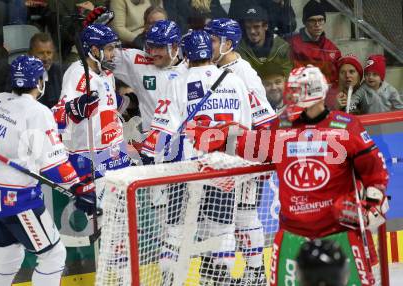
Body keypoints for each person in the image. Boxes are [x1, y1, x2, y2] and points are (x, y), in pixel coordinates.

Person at [188, 65, 389, 285]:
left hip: (340, 233)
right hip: (292, 235)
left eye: (295, 93)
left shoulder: (347, 127)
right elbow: (251, 144)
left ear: (312, 95)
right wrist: (216, 135)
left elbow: (375, 173)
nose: (290, 99)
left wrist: (372, 208)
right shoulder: (282, 128)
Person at [0, 55, 95, 286]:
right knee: (53, 257)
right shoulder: (37, 111)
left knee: (6, 258)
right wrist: (79, 187)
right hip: (18, 202)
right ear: (40, 81)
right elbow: (53, 164)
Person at [142, 30, 253, 285]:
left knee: (176, 232)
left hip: (187, 168)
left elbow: (162, 130)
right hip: (225, 166)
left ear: (186, 54)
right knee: (222, 229)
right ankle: (219, 279)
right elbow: (245, 127)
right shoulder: (234, 80)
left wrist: (148, 156)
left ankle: (170, 280)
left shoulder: (178, 82)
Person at [204, 17, 276, 284]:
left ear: (228, 43)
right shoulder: (210, 68)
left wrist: (262, 155)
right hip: (219, 157)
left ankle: (255, 272)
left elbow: (265, 118)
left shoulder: (244, 72)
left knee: (245, 214)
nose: (207, 44)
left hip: (242, 156)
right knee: (217, 218)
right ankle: (223, 272)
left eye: (213, 40)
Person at [52, 24, 130, 207]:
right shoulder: (78, 73)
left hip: (114, 151)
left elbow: (108, 107)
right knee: (103, 215)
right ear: (95, 50)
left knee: (123, 211)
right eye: (109, 49)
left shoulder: (106, 72)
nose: (113, 54)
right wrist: (75, 108)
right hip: (89, 156)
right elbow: (59, 114)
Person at [112, 19, 187, 133]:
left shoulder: (191, 70)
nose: (153, 53)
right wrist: (94, 28)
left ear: (175, 47)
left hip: (182, 140)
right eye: (151, 46)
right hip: (150, 142)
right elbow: (101, 53)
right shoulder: (138, 60)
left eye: (160, 47)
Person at [290, 0, 341, 84]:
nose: (317, 24)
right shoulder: (294, 45)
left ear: (324, 21)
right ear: (305, 22)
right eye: (312, 20)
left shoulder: (331, 48)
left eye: (320, 20)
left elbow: (338, 76)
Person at [236, 4, 292, 80]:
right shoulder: (239, 49)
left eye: (256, 26)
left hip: (276, 90)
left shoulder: (282, 47)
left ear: (265, 26)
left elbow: (287, 76)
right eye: (248, 27)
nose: (252, 31)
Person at [28, 32, 63, 109]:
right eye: (41, 53)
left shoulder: (61, 73)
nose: (46, 58)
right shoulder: (23, 76)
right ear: (30, 54)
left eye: (49, 53)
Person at [228, 0, 297, 38]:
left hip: (270, 40)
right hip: (247, 43)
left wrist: (282, 5)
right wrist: (273, 4)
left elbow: (289, 28)